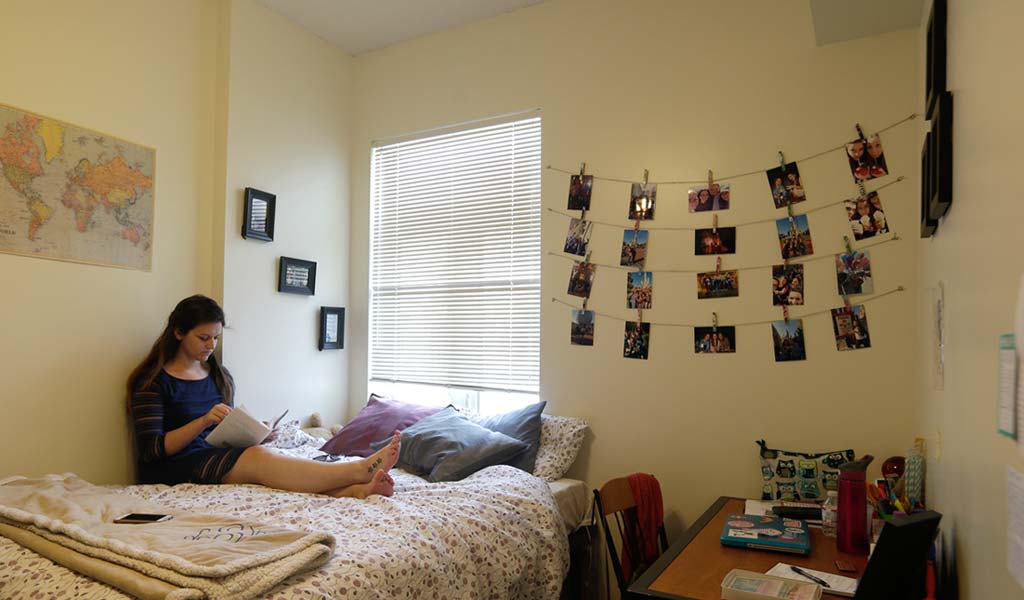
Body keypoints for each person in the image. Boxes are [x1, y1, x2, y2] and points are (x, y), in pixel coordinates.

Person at [127, 295, 399, 498]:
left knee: (267, 460)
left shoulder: (218, 375)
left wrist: (254, 432)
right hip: (173, 467)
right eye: (203, 338)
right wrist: (202, 422)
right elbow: (153, 451)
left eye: (216, 338)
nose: (211, 345)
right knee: (258, 459)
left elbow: (224, 431)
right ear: (178, 333)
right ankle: (359, 470)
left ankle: (354, 491)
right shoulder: (152, 382)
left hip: (211, 456)